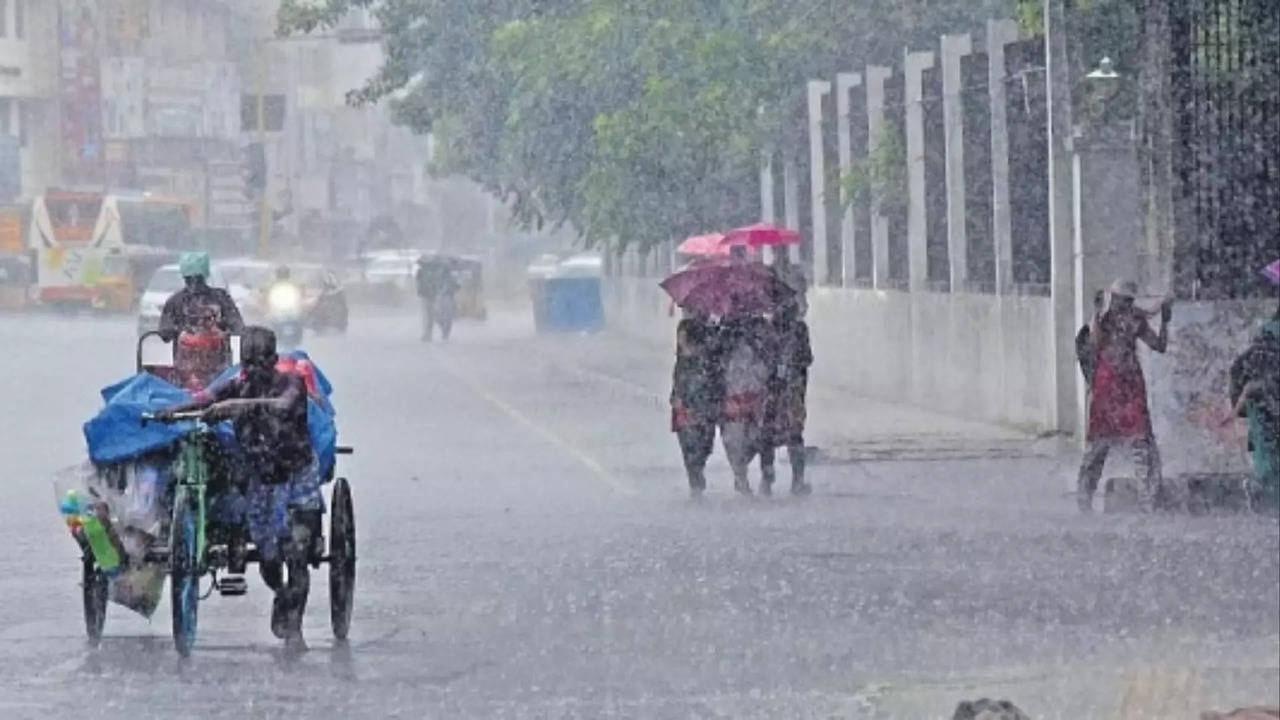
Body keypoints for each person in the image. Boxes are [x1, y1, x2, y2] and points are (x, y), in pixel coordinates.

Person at [159, 326, 323, 646]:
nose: (254, 370)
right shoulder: (238, 384)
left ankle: (295, 629)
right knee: (269, 559)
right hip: (262, 483)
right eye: (248, 363)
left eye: (261, 362)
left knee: (298, 555)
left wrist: (237, 407)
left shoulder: (291, 384)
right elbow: (206, 398)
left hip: (296, 478)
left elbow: (282, 405)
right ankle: (282, 594)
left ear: (274, 360)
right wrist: (172, 412)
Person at [1077, 279, 1172, 513]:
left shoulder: (1136, 319)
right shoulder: (1103, 320)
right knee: (1099, 444)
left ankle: (1148, 500)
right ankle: (1085, 497)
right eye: (1121, 299)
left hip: (1129, 386)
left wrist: (1165, 321)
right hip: (1107, 387)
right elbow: (1096, 344)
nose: (1124, 304)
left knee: (1140, 442)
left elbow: (1159, 345)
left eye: (1127, 300)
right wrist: (1097, 313)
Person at [159, 252, 244, 389]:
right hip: (188, 373)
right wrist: (183, 335)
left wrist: (220, 333)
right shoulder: (177, 302)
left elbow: (238, 327)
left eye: (196, 279)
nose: (194, 284)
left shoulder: (220, 298)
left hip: (218, 371)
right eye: (190, 279)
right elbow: (165, 333)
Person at [1228, 305, 1280, 510]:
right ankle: (1265, 493)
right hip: (1269, 402)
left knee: (1266, 456)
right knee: (1270, 457)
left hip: (1259, 407)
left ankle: (1262, 491)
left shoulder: (1259, 344)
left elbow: (1237, 372)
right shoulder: (1272, 347)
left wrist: (1239, 408)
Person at [760, 298, 813, 496]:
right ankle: (796, 481)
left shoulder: (767, 331)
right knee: (794, 435)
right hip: (790, 391)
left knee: (767, 435)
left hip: (773, 390)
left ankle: (767, 479)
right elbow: (807, 358)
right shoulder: (798, 330)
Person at [718, 312, 774, 495]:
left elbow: (764, 370)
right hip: (735, 397)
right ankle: (741, 476)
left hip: (752, 397)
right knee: (737, 439)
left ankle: (742, 473)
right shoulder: (726, 342)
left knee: (753, 438)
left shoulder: (758, 344)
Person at [670, 313, 723, 497]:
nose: (681, 342)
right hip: (685, 402)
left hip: (704, 401)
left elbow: (715, 374)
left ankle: (697, 467)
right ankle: (694, 476)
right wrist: (675, 395)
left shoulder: (709, 344)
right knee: (687, 442)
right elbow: (677, 375)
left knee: (706, 442)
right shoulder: (682, 360)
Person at [416, 256, 460, 342]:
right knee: (431, 316)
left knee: (438, 315)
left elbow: (454, 285)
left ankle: (441, 331)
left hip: (441, 296)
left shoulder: (446, 273)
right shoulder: (422, 272)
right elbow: (420, 283)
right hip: (431, 296)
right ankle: (430, 333)